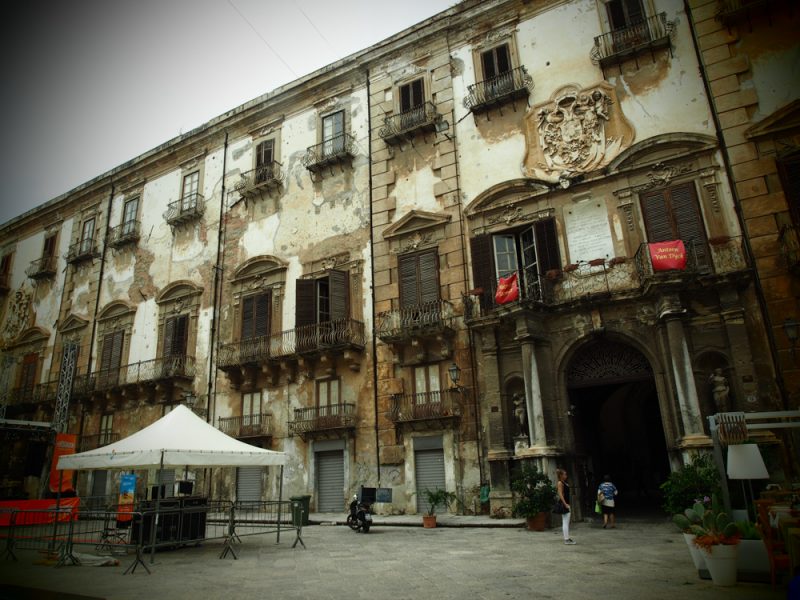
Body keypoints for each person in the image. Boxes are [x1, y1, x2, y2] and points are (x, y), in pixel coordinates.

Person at [556, 468, 576, 545]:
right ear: (561, 475)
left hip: (567, 503)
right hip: (565, 503)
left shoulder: (564, 482)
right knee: (565, 522)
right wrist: (565, 504)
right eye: (564, 474)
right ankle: (566, 539)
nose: (566, 475)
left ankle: (567, 538)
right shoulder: (560, 483)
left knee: (566, 522)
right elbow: (560, 494)